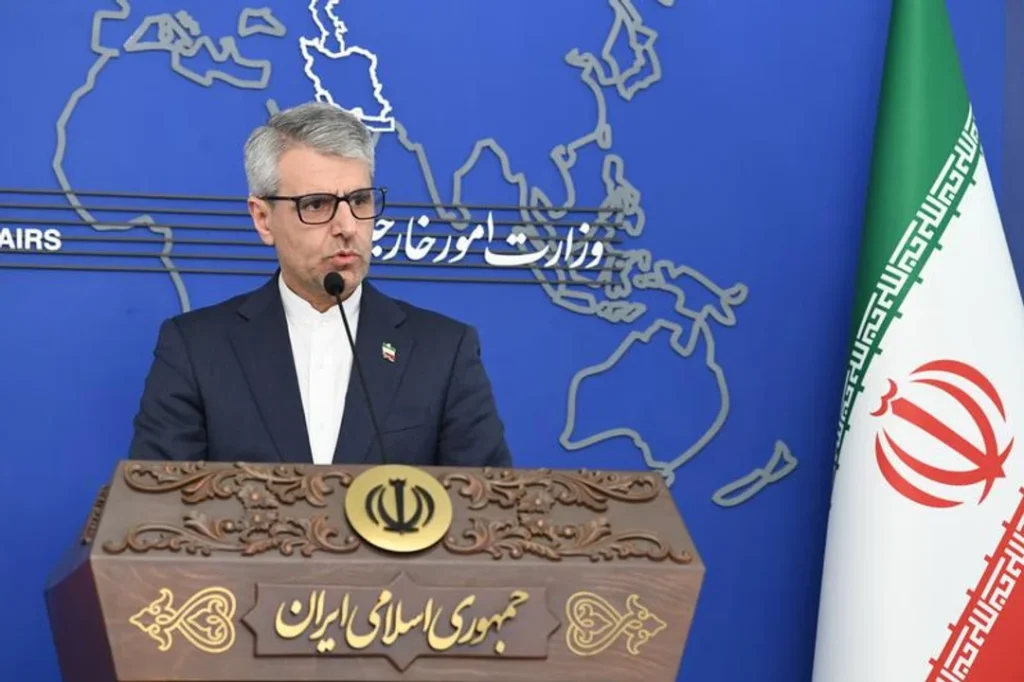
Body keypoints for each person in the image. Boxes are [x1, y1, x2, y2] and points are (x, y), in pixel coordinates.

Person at [127, 102, 513, 468]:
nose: (347, 226)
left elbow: (484, 505)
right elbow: (158, 502)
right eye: (316, 205)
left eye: (359, 201)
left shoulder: (443, 352)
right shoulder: (196, 350)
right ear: (263, 219)